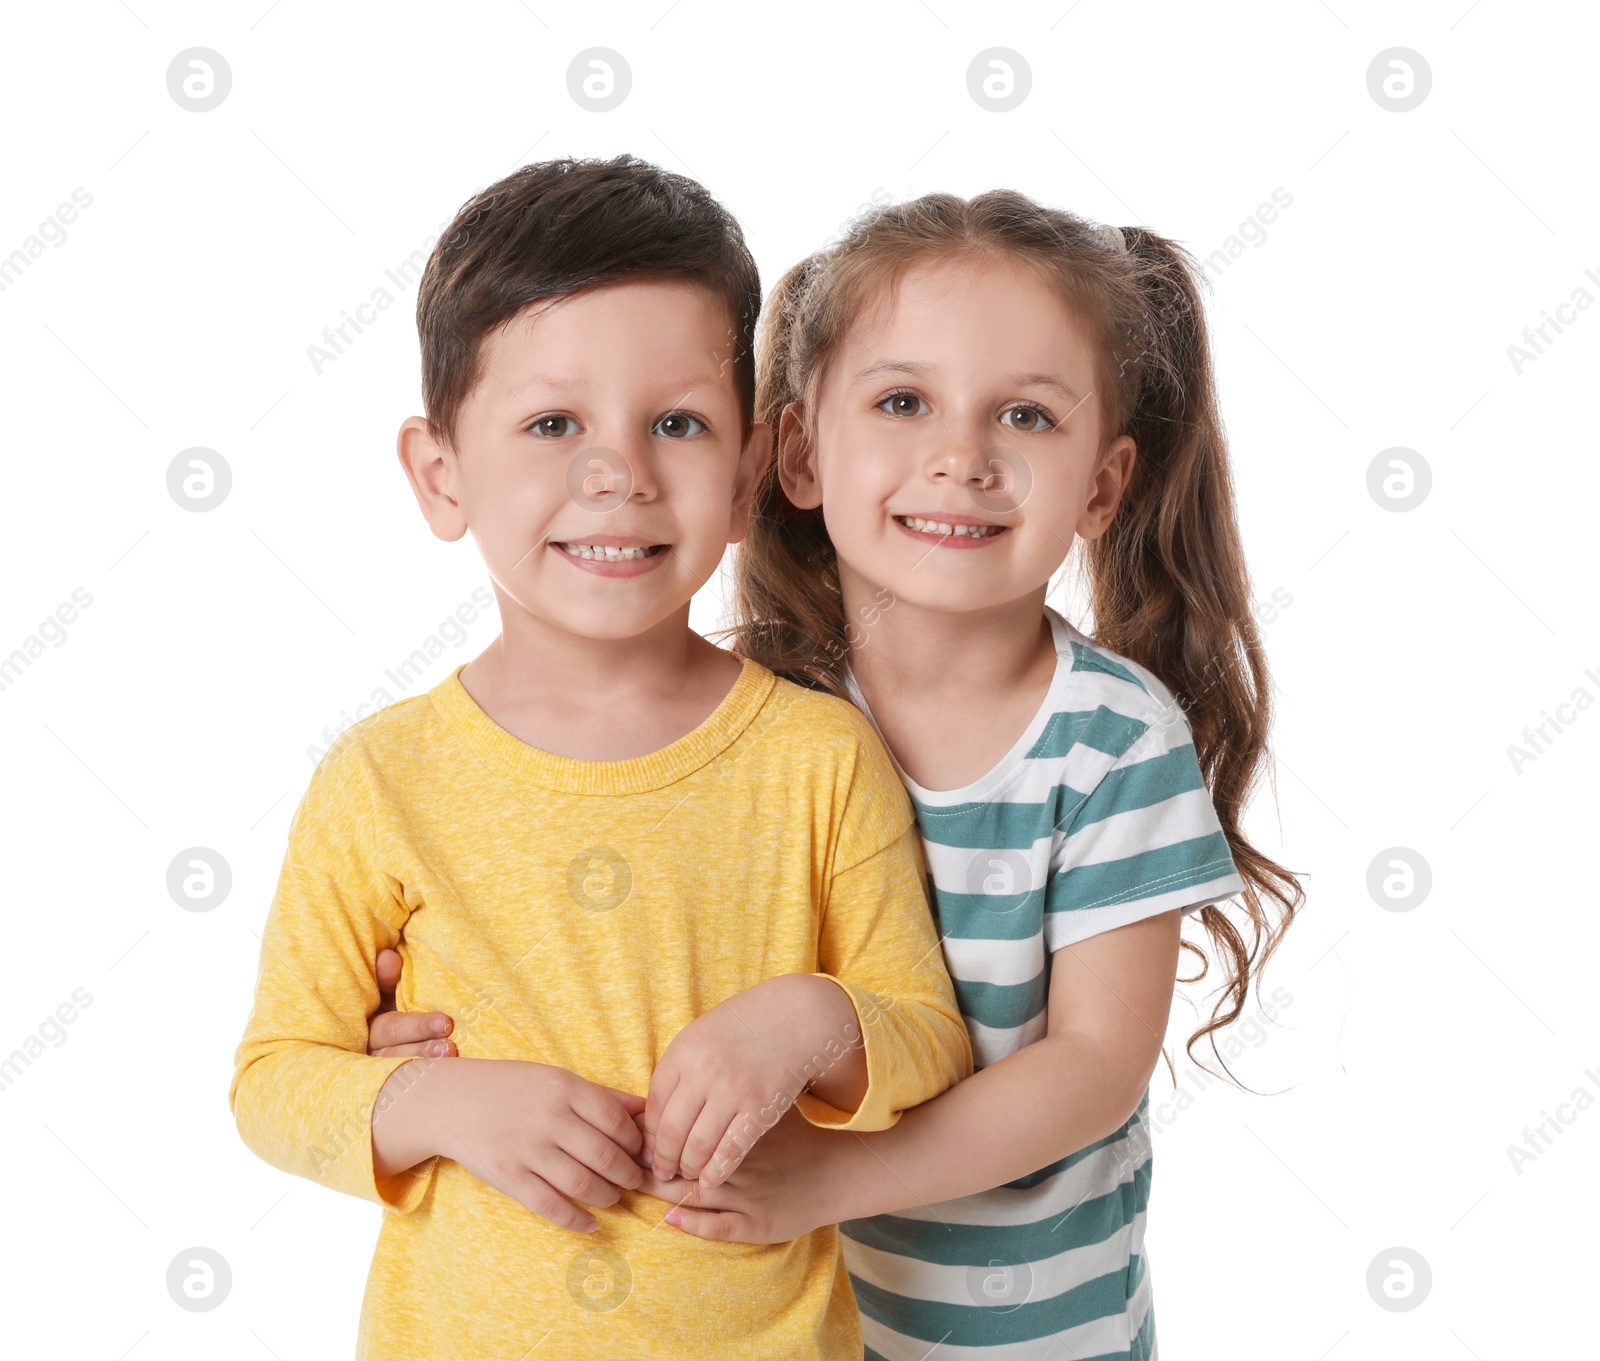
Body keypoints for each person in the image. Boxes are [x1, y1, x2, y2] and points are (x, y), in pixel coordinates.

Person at [372, 189, 1303, 1359]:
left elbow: (1090, 1071)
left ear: (1102, 487)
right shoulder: (752, 719)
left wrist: (837, 1176)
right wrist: (424, 1038)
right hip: (778, 1318)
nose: (960, 458)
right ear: (799, 455)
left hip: (1028, 1332)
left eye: (1023, 414)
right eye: (903, 402)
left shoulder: (1111, 740)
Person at [228, 156, 972, 1361]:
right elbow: (273, 1080)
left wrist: (810, 1019)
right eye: (552, 423)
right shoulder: (382, 778)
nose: (617, 472)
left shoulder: (817, 756)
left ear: (745, 474)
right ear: (440, 473)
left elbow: (926, 1039)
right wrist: (430, 1100)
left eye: (675, 423)